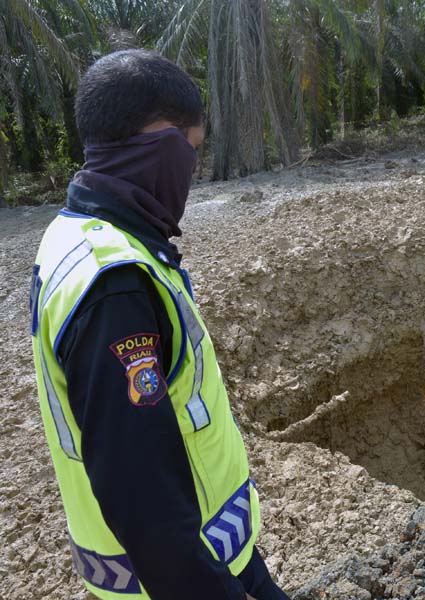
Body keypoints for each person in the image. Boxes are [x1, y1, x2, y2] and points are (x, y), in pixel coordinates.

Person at [29, 49, 290, 600]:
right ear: (163, 142)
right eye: (190, 153)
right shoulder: (113, 285)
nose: (190, 176)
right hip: (184, 578)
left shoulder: (75, 234)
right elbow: (139, 492)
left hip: (213, 554)